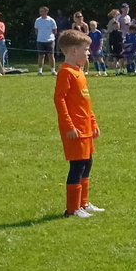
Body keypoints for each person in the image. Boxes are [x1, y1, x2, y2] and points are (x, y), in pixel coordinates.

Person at [54, 30, 103, 219]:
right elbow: (60, 101)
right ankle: (72, 209)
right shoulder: (65, 73)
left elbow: (86, 103)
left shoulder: (79, 72)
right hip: (75, 131)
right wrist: (69, 127)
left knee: (87, 163)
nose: (88, 53)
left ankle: (83, 203)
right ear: (73, 51)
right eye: (86, 49)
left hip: (86, 129)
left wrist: (93, 123)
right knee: (77, 166)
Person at [34, 6, 58, 75]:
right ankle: (40, 71)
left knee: (51, 55)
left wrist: (50, 37)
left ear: (46, 12)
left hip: (50, 40)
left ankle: (53, 70)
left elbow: (55, 31)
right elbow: (36, 30)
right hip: (40, 41)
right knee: (41, 56)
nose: (41, 13)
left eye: (42, 11)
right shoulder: (37, 20)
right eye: (40, 11)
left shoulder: (51, 20)